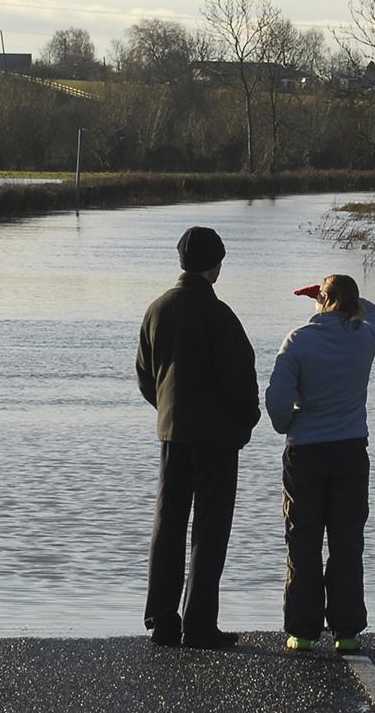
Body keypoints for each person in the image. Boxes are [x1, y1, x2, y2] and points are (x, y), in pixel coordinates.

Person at [135, 226, 260, 649]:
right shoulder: (220, 315)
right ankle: (200, 623)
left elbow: (145, 376)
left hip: (173, 433)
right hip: (217, 439)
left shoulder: (157, 309)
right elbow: (241, 379)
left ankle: (163, 618)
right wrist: (247, 422)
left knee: (168, 522)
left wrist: (168, 412)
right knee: (209, 528)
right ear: (215, 264)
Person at [265, 274, 375, 655]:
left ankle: (302, 630)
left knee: (303, 540)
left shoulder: (298, 340)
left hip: (306, 452)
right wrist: (343, 300)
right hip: (350, 450)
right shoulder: (365, 337)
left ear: (323, 299)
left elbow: (277, 404)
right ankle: (346, 630)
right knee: (347, 541)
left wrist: (289, 423)